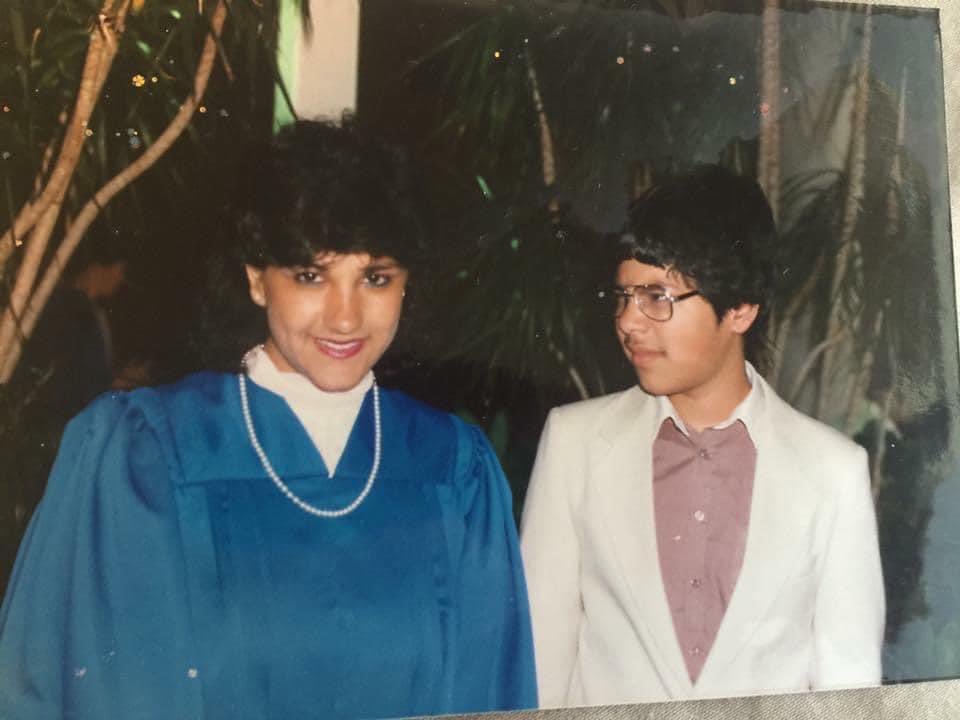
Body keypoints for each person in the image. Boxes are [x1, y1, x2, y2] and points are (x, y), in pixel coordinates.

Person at [0, 120, 537, 719]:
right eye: (311, 276)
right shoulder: (150, 455)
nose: (344, 316)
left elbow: (494, 696)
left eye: (375, 278)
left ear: (407, 287)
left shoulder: (450, 468)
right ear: (257, 280)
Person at [520, 164, 884, 706]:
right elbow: (538, 666)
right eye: (623, 296)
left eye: (658, 298)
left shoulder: (833, 470)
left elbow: (850, 691)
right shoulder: (574, 444)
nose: (629, 322)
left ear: (740, 309)